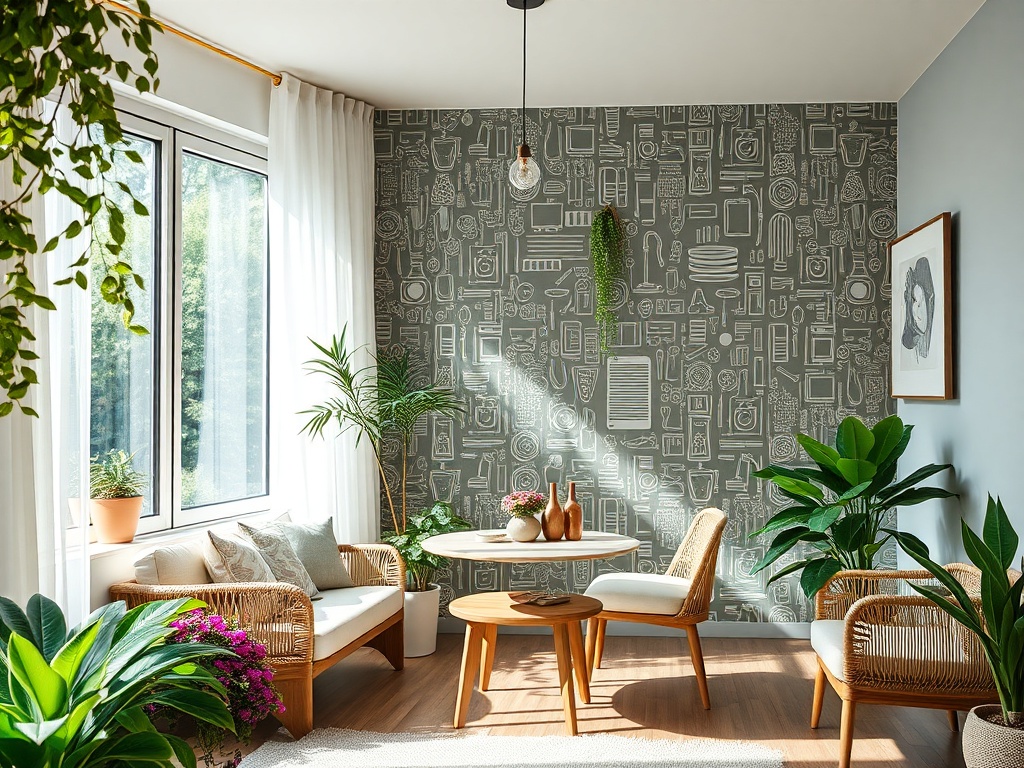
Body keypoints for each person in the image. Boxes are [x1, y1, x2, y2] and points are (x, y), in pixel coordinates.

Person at [900, 256, 935, 362]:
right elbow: (917, 305)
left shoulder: (917, 326)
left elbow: (916, 305)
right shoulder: (919, 326)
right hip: (921, 294)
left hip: (920, 294)